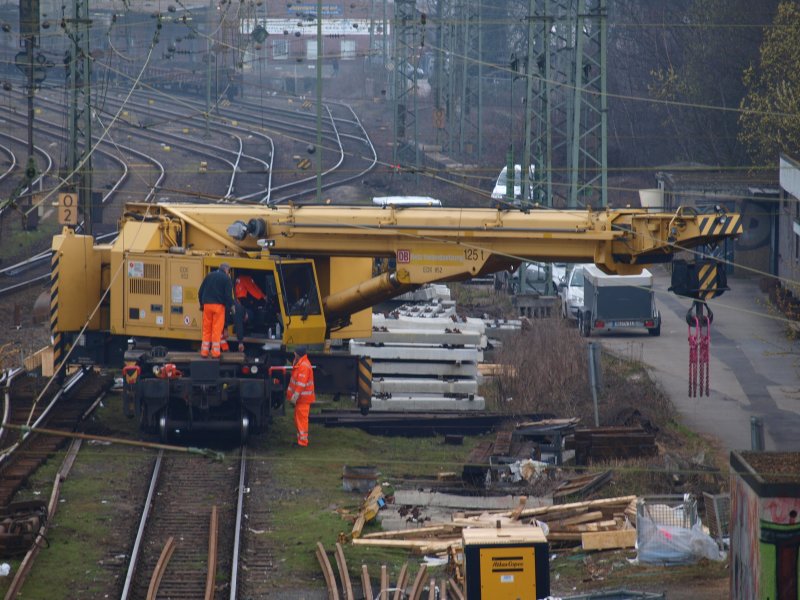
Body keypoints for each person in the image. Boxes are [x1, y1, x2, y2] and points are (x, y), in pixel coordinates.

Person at [198, 263, 234, 358]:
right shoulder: (227, 279)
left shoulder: (209, 276)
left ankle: (204, 352)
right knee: (216, 330)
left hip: (207, 306)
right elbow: (228, 296)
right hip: (218, 307)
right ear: (226, 270)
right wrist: (232, 306)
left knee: (206, 329)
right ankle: (215, 353)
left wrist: (202, 304)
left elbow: (200, 291)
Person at [286, 346, 315, 447]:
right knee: (299, 419)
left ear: (298, 354)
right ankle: (301, 440)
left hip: (303, 399)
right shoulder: (301, 363)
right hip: (302, 399)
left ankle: (302, 442)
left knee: (301, 420)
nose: (294, 354)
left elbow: (301, 384)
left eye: (295, 353)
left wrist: (295, 396)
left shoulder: (303, 366)